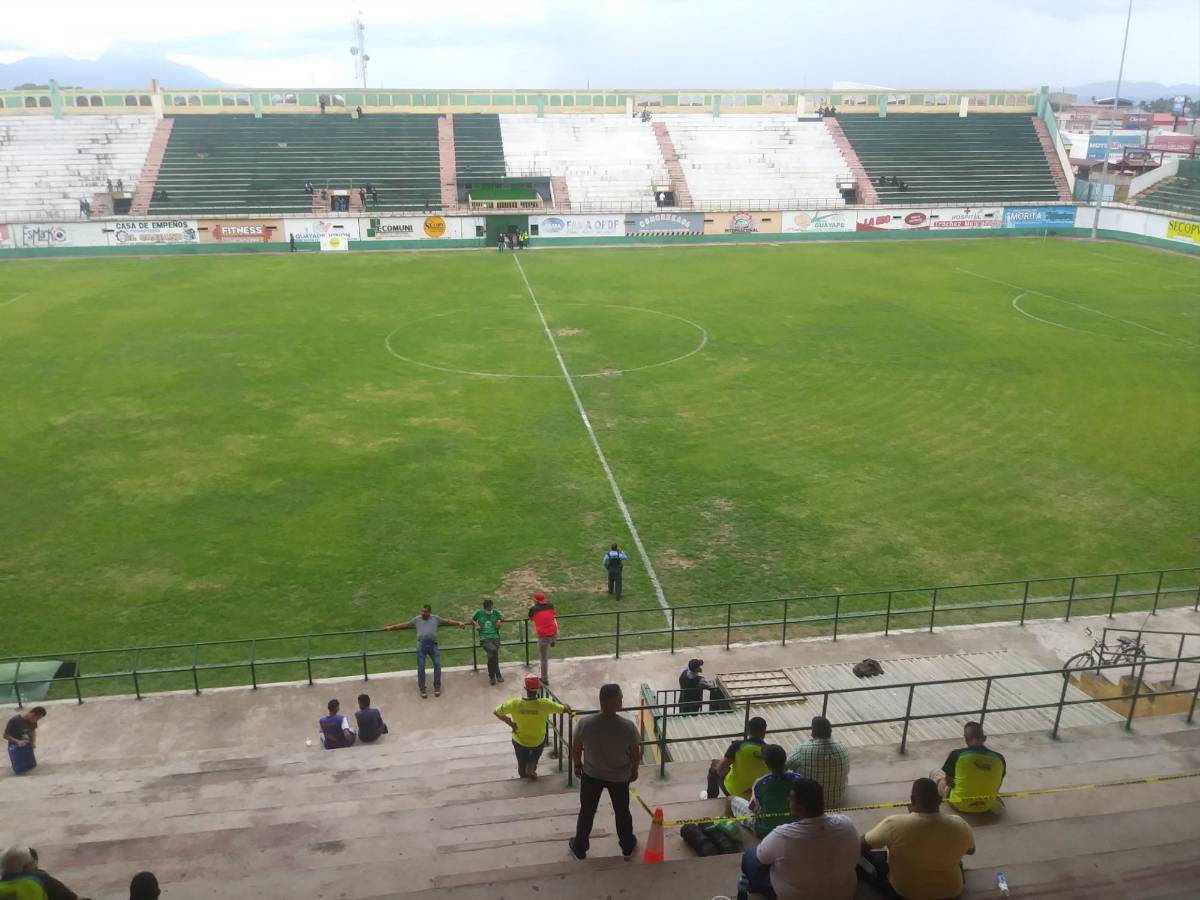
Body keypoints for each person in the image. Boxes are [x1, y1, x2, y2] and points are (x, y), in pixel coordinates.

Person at [736, 778, 859, 900]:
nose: (788, 800)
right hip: (844, 894)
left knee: (749, 857)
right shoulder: (846, 824)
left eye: (791, 798)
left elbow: (761, 859)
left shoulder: (781, 835)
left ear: (800, 808)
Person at [859, 777, 975, 900]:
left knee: (866, 859)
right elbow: (971, 850)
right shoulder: (960, 824)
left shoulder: (894, 824)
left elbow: (861, 845)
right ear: (939, 800)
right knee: (957, 859)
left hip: (906, 894)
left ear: (912, 800)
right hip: (952, 893)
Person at [569, 684, 640, 860]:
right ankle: (627, 845)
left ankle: (580, 846)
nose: (622, 701)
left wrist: (577, 765)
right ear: (612, 702)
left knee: (587, 811)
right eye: (620, 698)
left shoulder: (585, 723)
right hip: (619, 778)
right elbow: (635, 754)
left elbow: (576, 748)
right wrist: (634, 770)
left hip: (592, 775)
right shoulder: (628, 727)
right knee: (622, 812)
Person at [494, 675, 569, 780]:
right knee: (535, 756)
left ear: (525, 688)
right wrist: (566, 706)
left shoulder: (514, 703)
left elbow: (496, 712)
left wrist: (510, 723)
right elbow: (563, 709)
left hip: (519, 740)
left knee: (521, 763)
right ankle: (532, 766)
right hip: (538, 740)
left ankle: (523, 777)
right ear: (538, 689)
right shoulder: (544, 704)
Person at [385, 605, 468, 698]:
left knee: (437, 664)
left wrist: (458, 623)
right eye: (422, 611)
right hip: (421, 646)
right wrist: (391, 627)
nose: (422, 613)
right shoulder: (417, 619)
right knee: (421, 666)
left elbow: (447, 621)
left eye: (425, 612)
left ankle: (437, 686)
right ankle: (422, 688)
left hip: (433, 645)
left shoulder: (436, 618)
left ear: (429, 612)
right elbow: (406, 624)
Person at [731, 744, 804, 839]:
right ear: (785, 759)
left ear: (766, 763)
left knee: (730, 800)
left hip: (765, 831)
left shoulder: (761, 783)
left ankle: (732, 833)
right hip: (794, 829)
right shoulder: (800, 779)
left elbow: (753, 808)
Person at [935, 722, 1006, 813]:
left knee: (937, 775)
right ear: (984, 738)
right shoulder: (999, 758)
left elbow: (949, 783)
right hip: (987, 806)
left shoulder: (956, 755)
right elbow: (998, 785)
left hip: (959, 805)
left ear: (966, 738)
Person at [786, 716, 851, 809]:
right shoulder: (843, 748)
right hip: (837, 799)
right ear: (830, 731)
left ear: (813, 732)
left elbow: (786, 766)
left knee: (792, 771)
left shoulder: (804, 749)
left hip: (811, 803)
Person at [714, 716, 770, 813]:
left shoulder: (737, 746)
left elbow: (720, 771)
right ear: (764, 731)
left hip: (735, 792)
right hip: (759, 795)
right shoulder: (770, 751)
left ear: (748, 730)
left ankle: (710, 797)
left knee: (714, 767)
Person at [527, 592, 559, 685]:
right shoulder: (551, 606)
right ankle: (554, 640)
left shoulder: (533, 609)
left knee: (543, 658)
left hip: (543, 637)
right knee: (554, 619)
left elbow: (531, 618)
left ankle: (544, 679)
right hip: (553, 633)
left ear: (535, 600)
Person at [4, 707, 46, 775]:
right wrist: (17, 741)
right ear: (32, 714)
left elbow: (33, 731)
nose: (37, 721)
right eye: (37, 718)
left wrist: (33, 742)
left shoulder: (33, 721)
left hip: (27, 746)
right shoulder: (15, 720)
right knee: (20, 770)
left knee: (30, 766)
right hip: (16, 748)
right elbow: (5, 735)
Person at [473, 598, 505, 684]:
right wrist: (476, 624)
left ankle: (492, 676)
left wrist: (499, 620)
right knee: (494, 652)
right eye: (488, 607)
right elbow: (472, 619)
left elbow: (502, 617)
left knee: (492, 656)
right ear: (485, 607)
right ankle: (496, 674)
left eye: (491, 607)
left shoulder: (495, 612)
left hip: (495, 637)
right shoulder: (479, 613)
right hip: (484, 638)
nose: (490, 609)